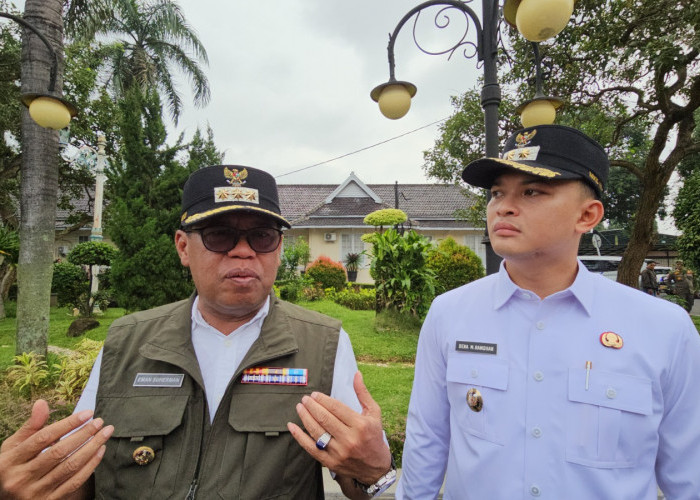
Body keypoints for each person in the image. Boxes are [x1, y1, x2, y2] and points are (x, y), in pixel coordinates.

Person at [0, 166, 393, 499]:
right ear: (183, 247)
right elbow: (76, 476)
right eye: (219, 235)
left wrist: (376, 471)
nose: (243, 251)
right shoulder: (127, 342)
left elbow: (356, 477)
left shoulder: (323, 343)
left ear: (278, 249)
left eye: (262, 236)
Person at [396, 125, 700, 499]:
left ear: (587, 215)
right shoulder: (450, 314)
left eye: (532, 191)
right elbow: (427, 440)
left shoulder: (664, 329)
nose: (503, 206)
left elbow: (689, 473)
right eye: (497, 193)